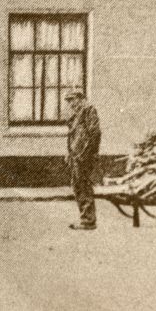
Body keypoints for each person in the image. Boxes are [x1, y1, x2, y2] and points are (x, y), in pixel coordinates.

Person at [64, 88, 101, 230]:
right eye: (69, 101)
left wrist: (86, 153)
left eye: (72, 100)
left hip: (84, 157)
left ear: (81, 99)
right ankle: (85, 218)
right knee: (77, 186)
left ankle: (88, 221)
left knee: (83, 186)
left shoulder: (89, 110)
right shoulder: (76, 115)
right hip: (76, 156)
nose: (71, 104)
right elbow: (73, 136)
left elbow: (95, 134)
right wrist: (69, 153)